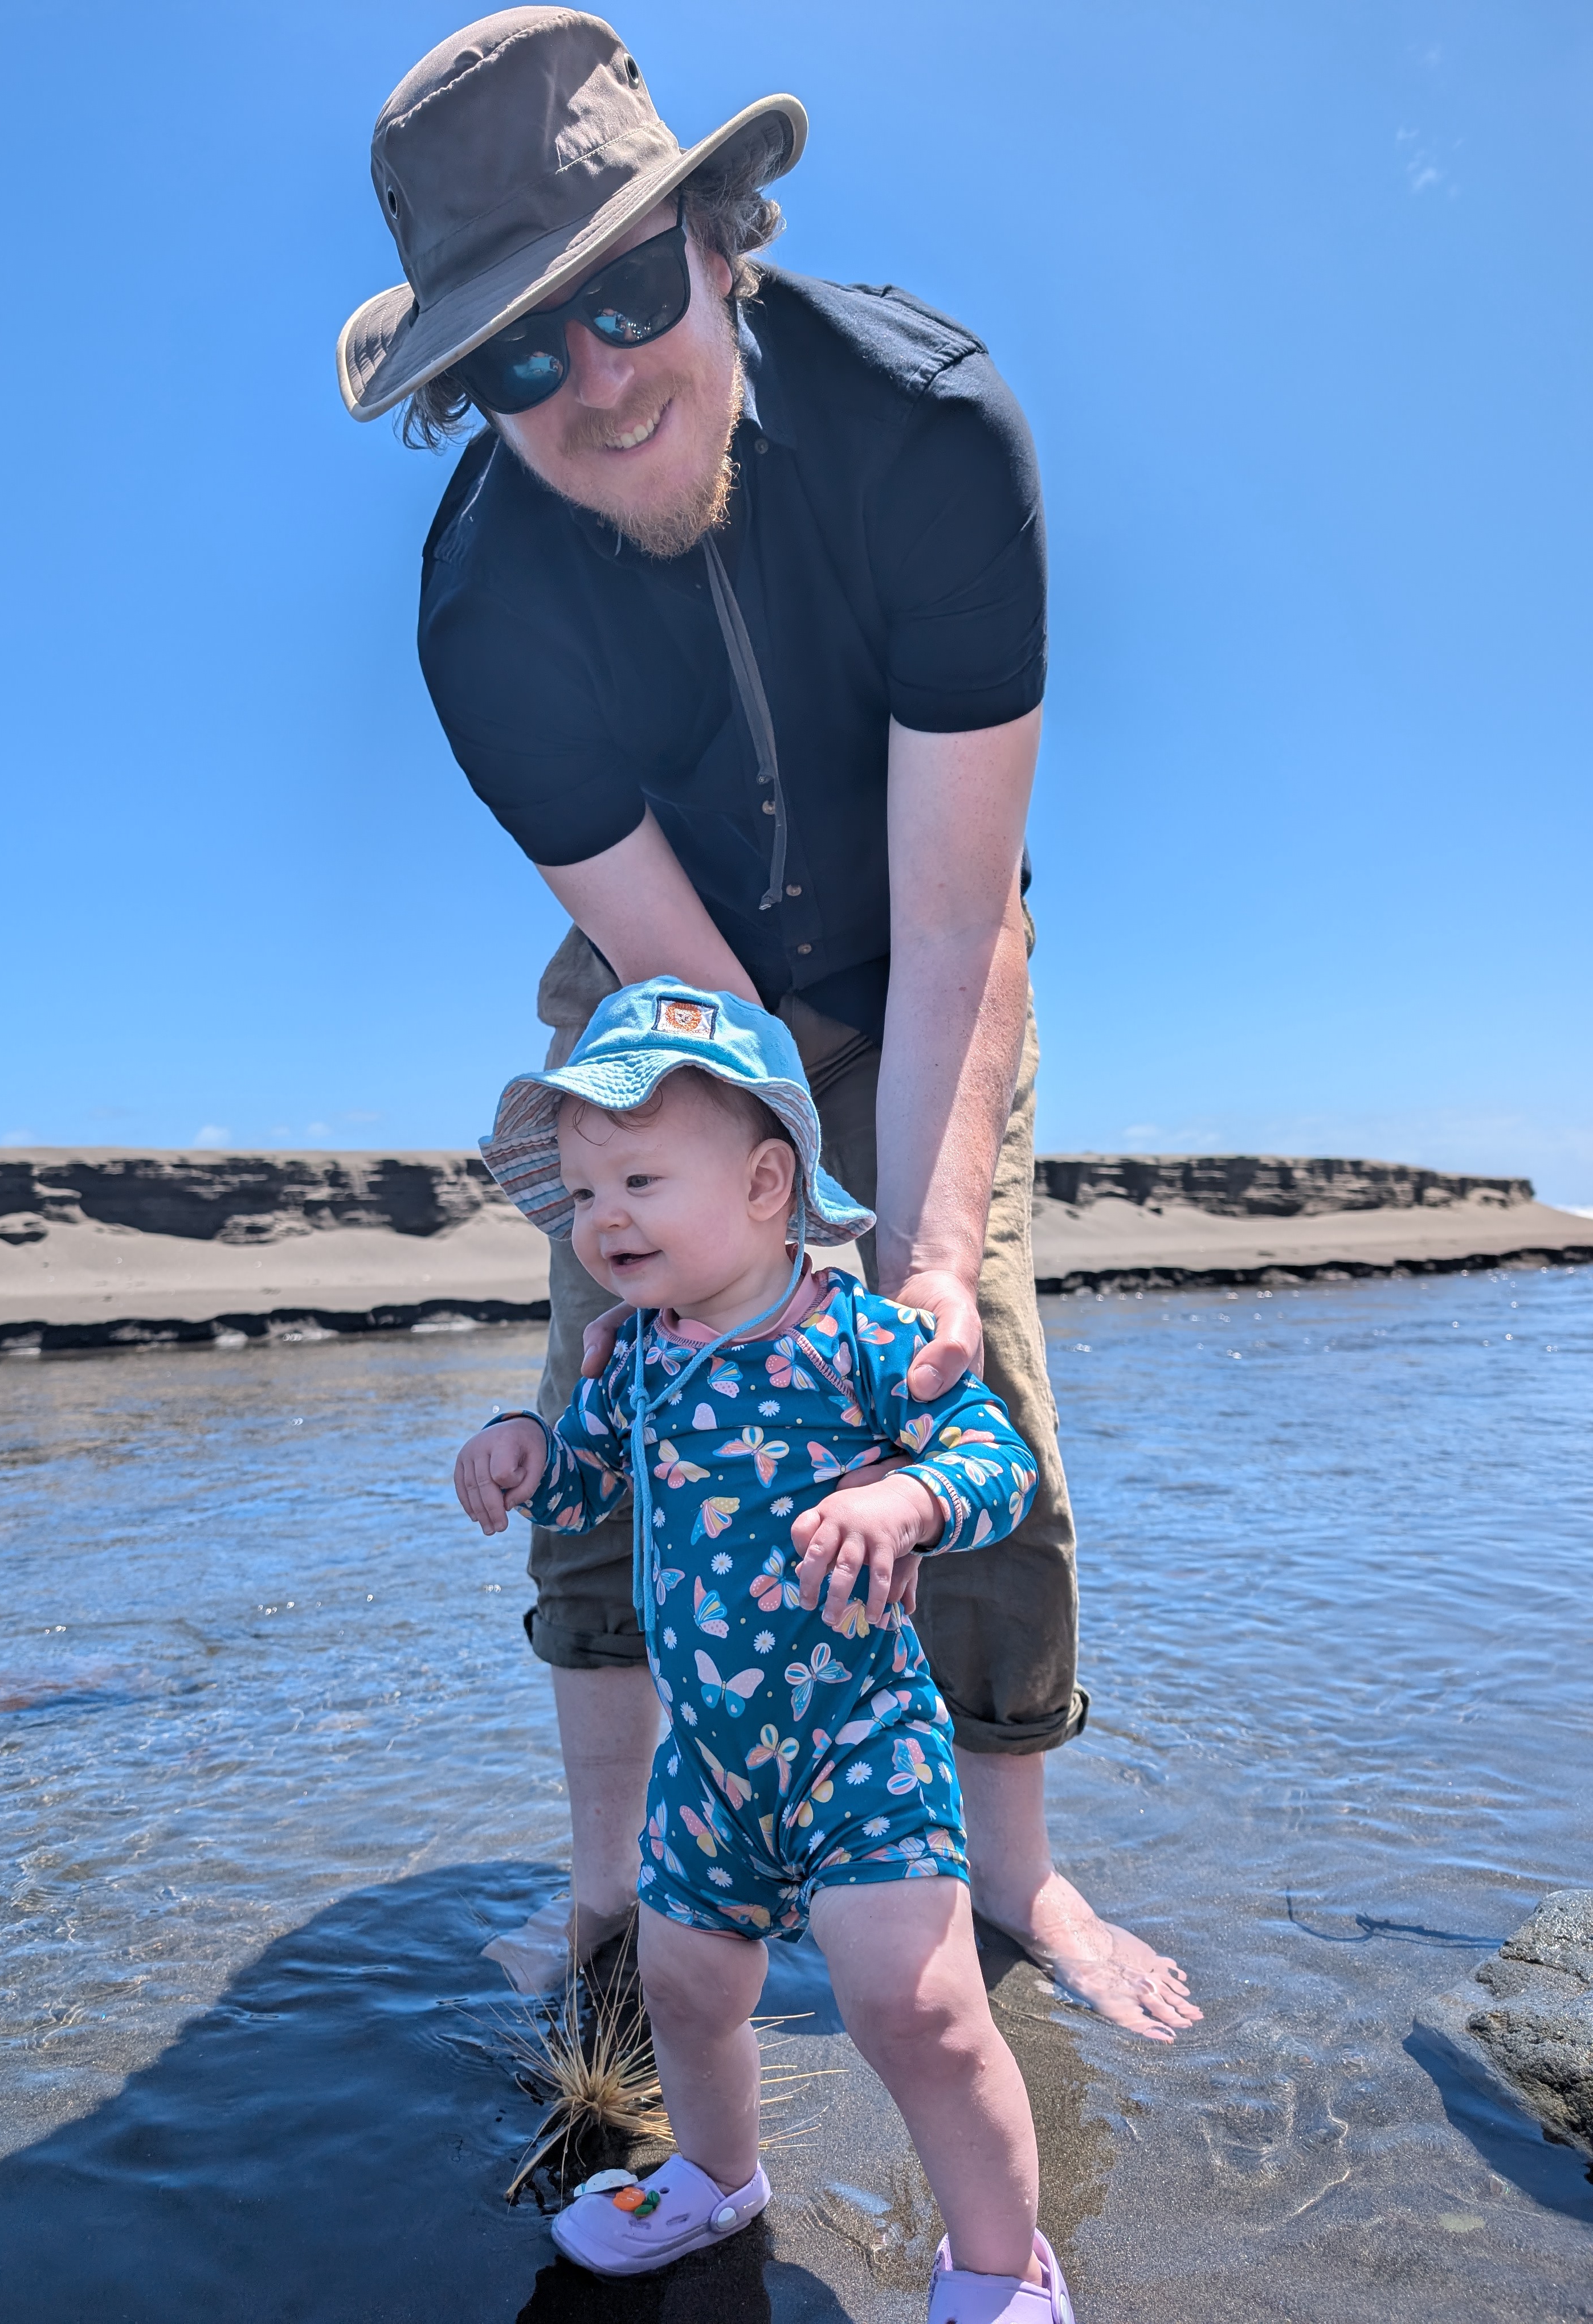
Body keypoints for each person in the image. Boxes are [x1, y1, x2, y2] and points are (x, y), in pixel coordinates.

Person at [340, 7, 1198, 2039]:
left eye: (627, 290)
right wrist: (749, 1243)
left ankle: (1018, 1881)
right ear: (470, 392)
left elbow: (953, 907)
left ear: (720, 236)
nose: (598, 381)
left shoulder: (928, 427)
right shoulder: (481, 613)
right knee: (623, 1364)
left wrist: (900, 1259)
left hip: (927, 948)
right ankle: (614, 1889)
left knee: (954, 1361)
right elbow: (690, 993)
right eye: (521, 356)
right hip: (664, 984)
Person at [455, 981, 1076, 2322]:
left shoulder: (862, 1337)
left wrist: (906, 1495)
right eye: (580, 1192)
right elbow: (585, 1489)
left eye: (636, 1178)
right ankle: (717, 2181)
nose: (600, 1216)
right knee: (685, 1990)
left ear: (764, 1182)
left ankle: (997, 2266)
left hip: (863, 1737)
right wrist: (527, 1449)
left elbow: (994, 1462)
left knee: (916, 2009)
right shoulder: (636, 1364)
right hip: (712, 1760)